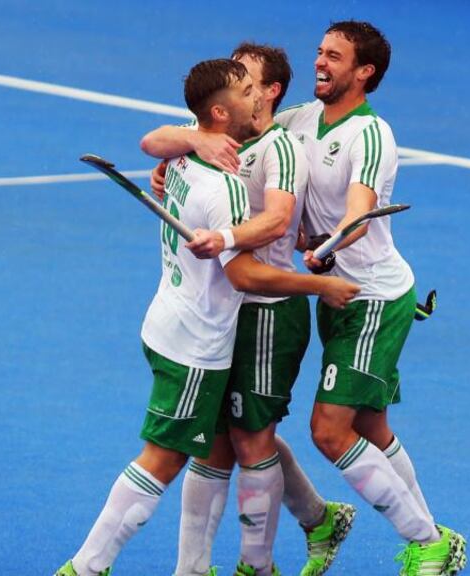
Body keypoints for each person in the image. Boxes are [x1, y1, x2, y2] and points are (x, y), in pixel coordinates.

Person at [54, 58, 359, 576]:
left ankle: (194, 569)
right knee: (163, 459)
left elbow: (273, 218)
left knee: (220, 446)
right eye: (245, 89)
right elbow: (243, 276)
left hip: (169, 323)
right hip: (197, 343)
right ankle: (86, 567)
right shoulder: (224, 188)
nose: (256, 96)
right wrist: (320, 285)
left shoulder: (186, 156)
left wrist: (233, 229)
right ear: (219, 112)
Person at [142, 43, 356, 576]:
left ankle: (256, 567)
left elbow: (278, 221)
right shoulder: (219, 131)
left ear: (268, 92)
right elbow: (153, 139)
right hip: (223, 309)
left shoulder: (281, 149)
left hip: (267, 307)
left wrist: (224, 235)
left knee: (250, 435)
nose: (235, 80)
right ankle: (197, 567)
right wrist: (192, 141)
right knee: (218, 437)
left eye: (245, 77)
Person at [273, 20, 467, 575]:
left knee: (330, 430)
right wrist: (185, 148)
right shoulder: (301, 120)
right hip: (336, 294)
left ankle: (427, 542)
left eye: (334, 56)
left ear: (365, 72)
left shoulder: (371, 134)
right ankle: (436, 543)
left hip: (372, 298)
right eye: (319, 51)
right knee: (371, 429)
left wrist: (328, 245)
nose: (320, 62)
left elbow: (358, 215)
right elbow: (249, 135)